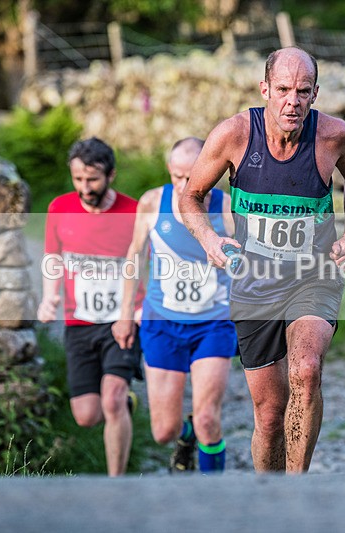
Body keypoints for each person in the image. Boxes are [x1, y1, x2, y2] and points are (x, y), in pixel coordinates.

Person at [180, 47, 345, 473]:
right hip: (255, 284)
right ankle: (268, 498)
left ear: (315, 93)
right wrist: (209, 239)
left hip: (313, 277)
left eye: (303, 91)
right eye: (283, 89)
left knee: (306, 368)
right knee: (269, 415)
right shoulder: (233, 135)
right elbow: (190, 196)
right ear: (265, 88)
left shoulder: (334, 136)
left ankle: (295, 492)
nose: (293, 101)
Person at [112, 137, 236, 474]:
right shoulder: (153, 203)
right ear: (169, 171)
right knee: (162, 431)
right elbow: (134, 258)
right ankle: (185, 435)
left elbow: (249, 266)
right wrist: (125, 315)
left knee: (209, 418)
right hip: (162, 322)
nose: (184, 186)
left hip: (214, 323)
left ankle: (214, 500)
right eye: (177, 177)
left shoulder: (227, 208)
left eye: (193, 176)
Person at [38, 137, 143, 477]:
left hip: (121, 321)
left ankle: (117, 483)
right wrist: (49, 295)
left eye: (92, 179)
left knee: (110, 399)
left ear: (111, 175)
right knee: (86, 415)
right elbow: (53, 257)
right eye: (78, 179)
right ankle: (126, 404)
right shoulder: (59, 208)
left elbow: (148, 265)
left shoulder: (133, 211)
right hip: (79, 322)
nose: (85, 187)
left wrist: (136, 312)